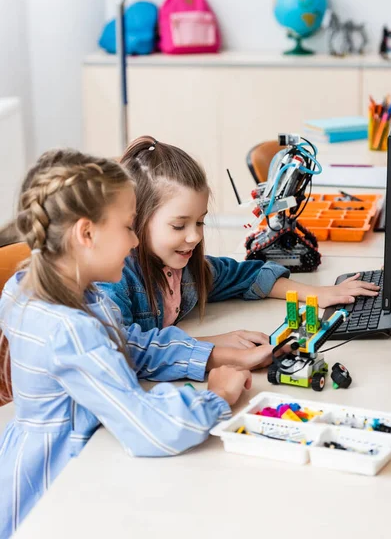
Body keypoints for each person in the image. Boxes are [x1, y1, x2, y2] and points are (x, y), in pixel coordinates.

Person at [0, 149, 281, 537]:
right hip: (61, 484)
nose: (135, 242)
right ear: (86, 234)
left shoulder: (49, 291)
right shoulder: (71, 329)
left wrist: (214, 356)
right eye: (129, 227)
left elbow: (128, 349)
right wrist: (215, 398)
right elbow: (148, 427)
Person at [99, 136, 379, 347]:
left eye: (200, 222)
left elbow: (247, 275)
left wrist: (316, 294)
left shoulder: (187, 269)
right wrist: (214, 345)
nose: (195, 236)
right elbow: (123, 348)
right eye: (178, 225)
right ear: (135, 220)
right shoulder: (112, 281)